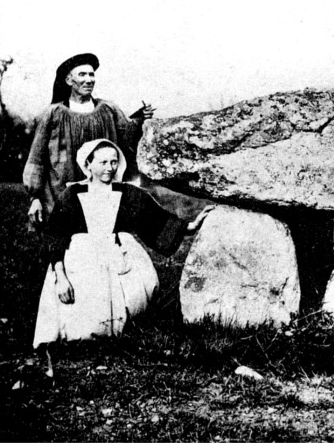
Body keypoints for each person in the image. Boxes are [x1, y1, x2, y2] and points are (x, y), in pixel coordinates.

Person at [32, 139, 214, 376]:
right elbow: (56, 236)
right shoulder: (72, 194)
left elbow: (155, 220)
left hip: (119, 254)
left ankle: (121, 341)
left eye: (114, 162)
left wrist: (190, 226)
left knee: (140, 292)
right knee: (82, 312)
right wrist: (61, 276)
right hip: (81, 258)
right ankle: (75, 350)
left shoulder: (127, 193)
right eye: (103, 162)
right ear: (88, 164)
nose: (109, 167)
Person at [23, 53, 156, 230]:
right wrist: (35, 198)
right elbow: (36, 160)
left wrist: (140, 120)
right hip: (61, 192)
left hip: (102, 191)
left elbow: (126, 138)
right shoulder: (53, 113)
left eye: (91, 74)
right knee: (64, 246)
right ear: (69, 80)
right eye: (82, 75)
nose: (89, 80)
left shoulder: (109, 109)